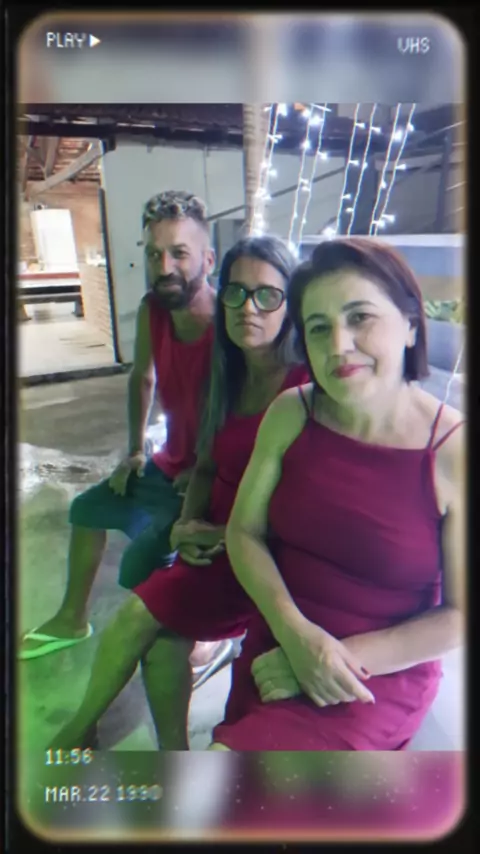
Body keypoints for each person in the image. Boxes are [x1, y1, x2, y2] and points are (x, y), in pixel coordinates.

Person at [47, 234, 309, 750]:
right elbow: (205, 465)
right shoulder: (227, 373)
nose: (247, 308)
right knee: (162, 643)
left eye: (267, 295)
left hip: (265, 555)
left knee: (139, 612)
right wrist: (188, 522)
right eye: (235, 293)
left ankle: (75, 734)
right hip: (211, 543)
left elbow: (302, 510)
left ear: (290, 305)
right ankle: (171, 759)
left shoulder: (303, 387)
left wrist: (223, 535)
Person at [210, 236, 465, 751]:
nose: (339, 345)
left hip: (372, 675)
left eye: (360, 317)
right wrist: (296, 636)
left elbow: (460, 615)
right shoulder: (291, 413)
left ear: (411, 324)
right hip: (278, 638)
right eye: (319, 327)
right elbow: (244, 532)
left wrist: (331, 659)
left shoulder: (452, 450)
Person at [19, 190, 228, 676]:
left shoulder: (228, 328)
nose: (164, 267)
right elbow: (142, 377)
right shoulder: (154, 309)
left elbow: (244, 416)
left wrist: (207, 470)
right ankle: (72, 619)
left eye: (179, 253)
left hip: (214, 475)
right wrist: (135, 449)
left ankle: (213, 633)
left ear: (208, 259)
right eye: (154, 254)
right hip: (171, 462)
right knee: (87, 508)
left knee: (147, 557)